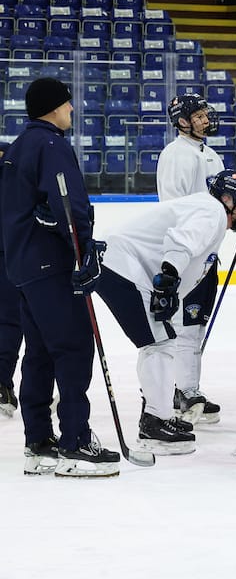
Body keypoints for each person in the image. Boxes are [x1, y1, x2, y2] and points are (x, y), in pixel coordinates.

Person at [94, 170, 236, 455]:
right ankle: (153, 425)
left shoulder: (208, 211)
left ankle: (156, 414)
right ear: (228, 199)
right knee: (159, 343)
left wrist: (166, 289)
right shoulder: (213, 213)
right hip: (123, 267)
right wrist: (167, 282)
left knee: (160, 340)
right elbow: (180, 242)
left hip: (124, 267)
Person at [1, 78, 118, 477]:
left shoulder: (19, 146)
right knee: (71, 348)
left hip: (23, 267)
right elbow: (69, 204)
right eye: (68, 104)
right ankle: (75, 441)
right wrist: (84, 255)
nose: (72, 110)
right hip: (52, 265)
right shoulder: (52, 145)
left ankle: (39, 442)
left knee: (39, 353)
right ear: (53, 108)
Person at [158, 93, 225, 425]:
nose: (204, 119)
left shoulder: (210, 154)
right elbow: (174, 208)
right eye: (197, 115)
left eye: (204, 114)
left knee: (196, 325)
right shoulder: (175, 155)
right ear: (181, 121)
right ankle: (184, 390)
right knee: (185, 325)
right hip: (189, 255)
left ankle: (189, 387)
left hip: (209, 255)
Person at [0, 140, 19, 418]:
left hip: (10, 253)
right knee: (11, 320)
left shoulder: (11, 155)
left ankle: (2, 382)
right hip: (10, 252)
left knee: (11, 320)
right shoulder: (13, 157)